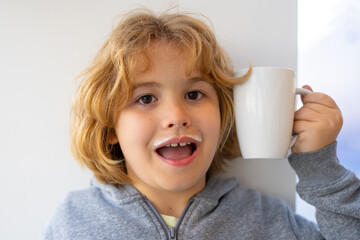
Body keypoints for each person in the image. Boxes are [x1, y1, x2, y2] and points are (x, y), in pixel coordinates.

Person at [43, 8, 360, 239]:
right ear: (111, 128)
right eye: (146, 98)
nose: (177, 116)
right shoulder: (74, 220)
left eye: (194, 93)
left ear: (224, 114)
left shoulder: (268, 219)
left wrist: (321, 169)